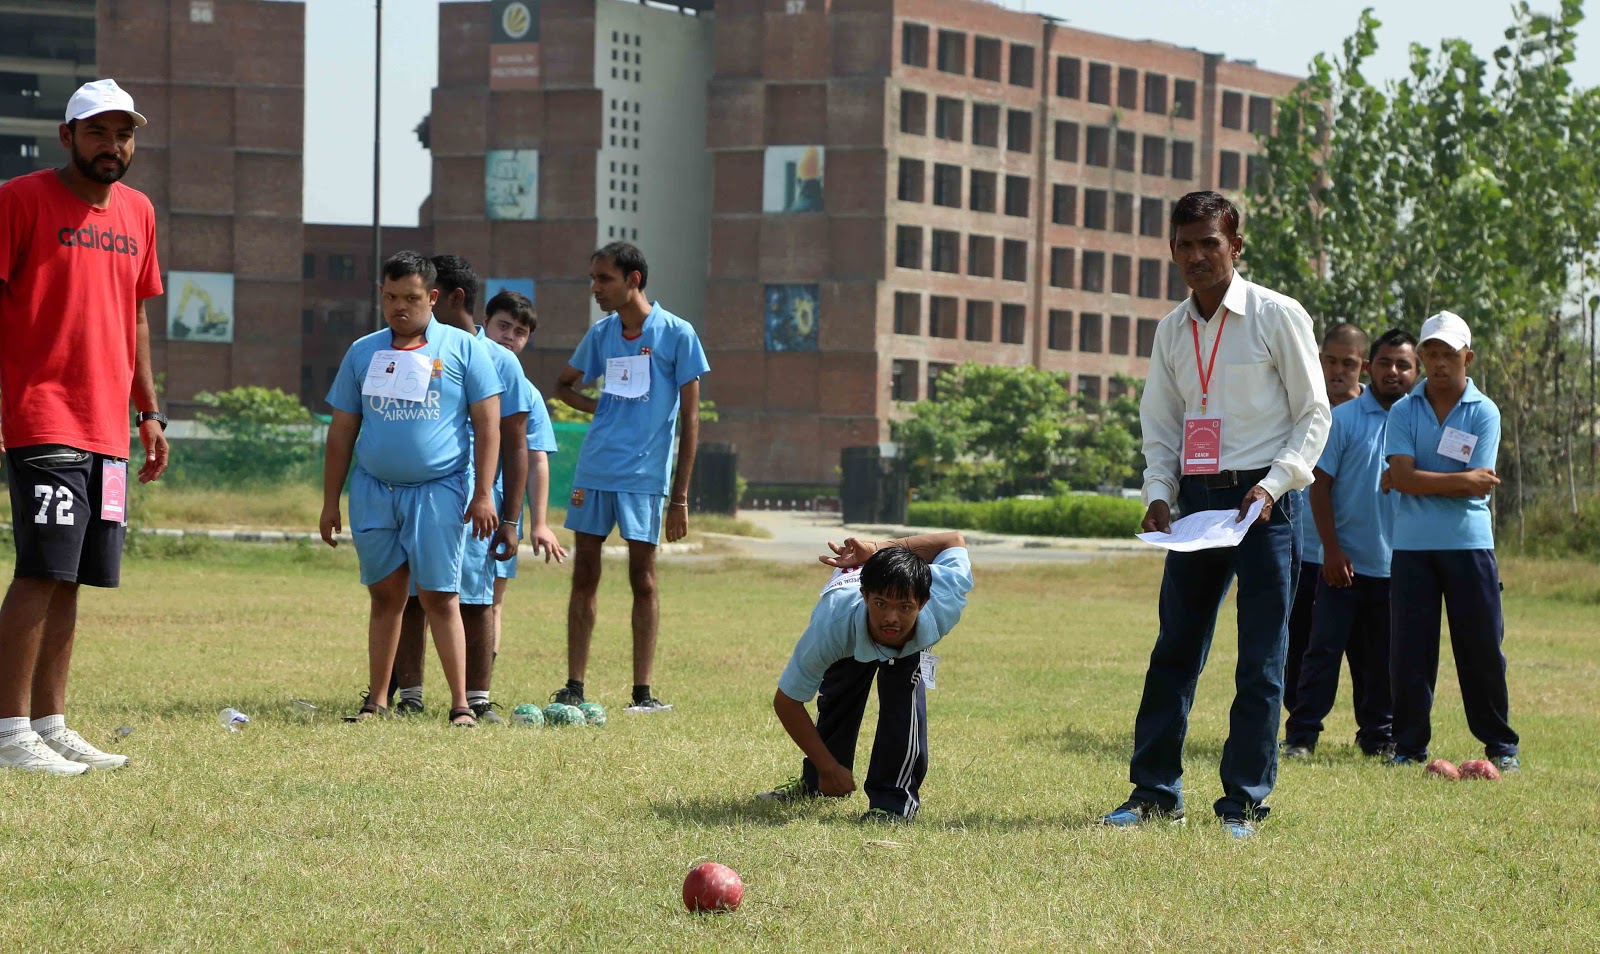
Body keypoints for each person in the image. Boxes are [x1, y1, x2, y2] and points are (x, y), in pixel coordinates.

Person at [1101, 191, 1329, 838]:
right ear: (1171, 249)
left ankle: (1244, 804)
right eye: (1185, 244)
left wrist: (1273, 485)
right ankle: (1153, 794)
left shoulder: (1275, 316)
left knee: (1260, 660)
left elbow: (1315, 413)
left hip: (1263, 507)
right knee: (1174, 650)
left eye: (1210, 243)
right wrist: (1158, 492)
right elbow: (1162, 423)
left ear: (1236, 247)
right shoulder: (1172, 329)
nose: (1197, 255)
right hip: (1197, 508)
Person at [0, 79, 168, 775]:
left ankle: (50, 722)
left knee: (73, 576)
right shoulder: (19, 200)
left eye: (123, 133)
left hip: (108, 428)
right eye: (98, 132)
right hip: (43, 413)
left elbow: (136, 315)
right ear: (66, 136)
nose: (113, 145)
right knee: (41, 568)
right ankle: (10, 732)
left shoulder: (139, 211)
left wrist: (150, 411)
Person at [320, 251, 502, 727]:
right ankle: (377, 701)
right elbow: (341, 431)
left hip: (439, 490)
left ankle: (461, 704)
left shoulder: (464, 349)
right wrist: (329, 501)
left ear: (434, 298)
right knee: (385, 595)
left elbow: (488, 425)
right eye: (390, 297)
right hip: (373, 490)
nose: (399, 307)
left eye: (411, 298)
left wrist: (484, 493)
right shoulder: (363, 351)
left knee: (441, 596)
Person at [550, 243, 709, 713]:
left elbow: (692, 420)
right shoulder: (601, 335)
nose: (596, 289)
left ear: (634, 279)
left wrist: (679, 498)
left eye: (604, 279)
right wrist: (601, 408)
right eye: (594, 279)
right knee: (585, 573)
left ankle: (642, 693)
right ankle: (574, 686)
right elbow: (563, 384)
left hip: (644, 475)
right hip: (595, 468)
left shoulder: (678, 334)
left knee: (644, 578)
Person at [386, 256, 530, 723]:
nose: (413, 307)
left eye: (425, 295)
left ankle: (477, 698)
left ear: (451, 298)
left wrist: (509, 518)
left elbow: (517, 443)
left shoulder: (500, 360)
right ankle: (409, 694)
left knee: (474, 595)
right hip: (422, 496)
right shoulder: (412, 352)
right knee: (411, 595)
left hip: (476, 504)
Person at [1382, 312, 1518, 771]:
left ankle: (1501, 746)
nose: (1440, 363)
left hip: (1469, 545)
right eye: (1432, 354)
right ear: (1421, 358)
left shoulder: (1485, 411)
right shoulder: (1403, 410)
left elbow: (1479, 484)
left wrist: (1411, 479)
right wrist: (1451, 480)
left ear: (1468, 357)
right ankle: (1407, 747)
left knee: (1481, 648)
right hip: (1412, 547)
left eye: (1449, 354)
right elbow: (1448, 480)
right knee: (1410, 651)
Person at [757, 532, 972, 822]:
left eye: (904, 607)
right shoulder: (832, 626)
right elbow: (787, 701)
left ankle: (893, 804)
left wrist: (875, 548)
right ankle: (818, 783)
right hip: (850, 628)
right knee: (839, 692)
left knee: (902, 698)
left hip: (912, 639)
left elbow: (954, 540)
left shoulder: (945, 597)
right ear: (865, 596)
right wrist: (828, 767)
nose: (891, 618)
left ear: (923, 603)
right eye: (881, 603)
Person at [1282, 329, 1420, 759]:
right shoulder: (1342, 420)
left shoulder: (1419, 420)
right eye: (1385, 363)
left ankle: (1377, 737)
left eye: (1403, 365)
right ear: (1370, 367)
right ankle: (1302, 735)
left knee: (1381, 660)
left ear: (1415, 372)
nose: (1393, 372)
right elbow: (1320, 488)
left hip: (1396, 566)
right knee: (1320, 653)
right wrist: (1332, 551)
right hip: (1343, 565)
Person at [1284, 323, 1369, 715]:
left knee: (1368, 651)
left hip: (1360, 557)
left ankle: (1375, 732)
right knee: (1296, 643)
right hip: (1302, 552)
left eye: (1348, 363)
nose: (1338, 370)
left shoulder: (1380, 413)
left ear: (1362, 367)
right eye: (1331, 360)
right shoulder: (1300, 409)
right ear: (1319, 360)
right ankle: (1297, 724)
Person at [481, 289, 566, 671]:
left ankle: (478, 690)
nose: (509, 337)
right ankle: (407, 691)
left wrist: (540, 523)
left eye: (519, 331)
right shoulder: (457, 365)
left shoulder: (528, 393)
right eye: (503, 326)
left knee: (491, 600)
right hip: (446, 495)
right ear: (485, 323)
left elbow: (536, 458)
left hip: (497, 509)